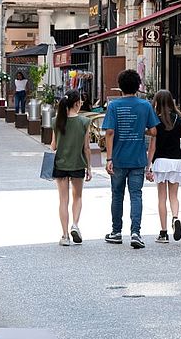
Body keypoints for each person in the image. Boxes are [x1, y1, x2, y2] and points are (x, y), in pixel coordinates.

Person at [101, 69, 159, 248]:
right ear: (137, 86)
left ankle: (116, 232)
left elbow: (109, 132)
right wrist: (141, 129)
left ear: (120, 87)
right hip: (137, 159)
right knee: (136, 195)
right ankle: (136, 232)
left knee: (117, 195)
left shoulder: (113, 106)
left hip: (117, 158)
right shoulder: (145, 106)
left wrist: (109, 158)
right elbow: (154, 131)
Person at [145, 90, 181, 244]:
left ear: (157, 103)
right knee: (174, 196)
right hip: (177, 161)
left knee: (161, 198)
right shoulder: (179, 119)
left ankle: (163, 233)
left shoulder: (155, 121)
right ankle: (176, 218)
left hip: (160, 162)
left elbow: (152, 147)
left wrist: (148, 166)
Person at [51, 90, 92, 246]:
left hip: (60, 164)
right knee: (78, 197)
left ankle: (65, 235)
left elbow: (53, 146)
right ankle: (75, 224)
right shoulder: (84, 122)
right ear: (76, 103)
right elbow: (87, 148)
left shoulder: (56, 120)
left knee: (63, 200)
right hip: (77, 164)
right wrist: (89, 168)